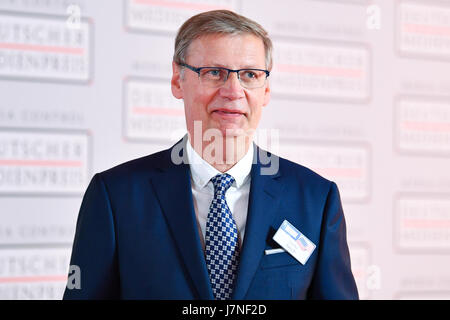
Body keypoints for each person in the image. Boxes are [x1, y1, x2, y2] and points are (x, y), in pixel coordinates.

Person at [63, 10, 358, 300]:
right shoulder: (115, 197)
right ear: (178, 80)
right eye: (214, 72)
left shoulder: (316, 199)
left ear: (266, 89)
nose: (233, 91)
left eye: (250, 75)